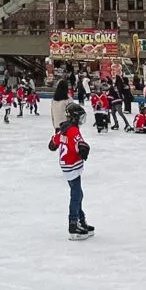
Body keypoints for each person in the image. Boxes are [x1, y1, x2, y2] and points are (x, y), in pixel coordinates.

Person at [49, 99, 93, 237]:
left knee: (78, 194)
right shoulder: (73, 130)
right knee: (76, 195)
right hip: (72, 166)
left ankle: (81, 220)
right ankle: (73, 224)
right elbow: (79, 143)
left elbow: (53, 144)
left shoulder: (64, 129)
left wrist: (54, 143)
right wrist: (83, 148)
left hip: (67, 166)